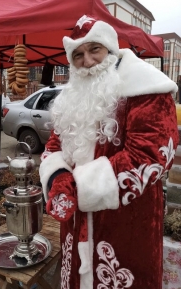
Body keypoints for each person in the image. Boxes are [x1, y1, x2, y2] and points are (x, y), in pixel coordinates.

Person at [39, 15, 179, 289]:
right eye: (77, 55)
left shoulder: (147, 90)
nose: (87, 61)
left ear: (111, 50)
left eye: (94, 49)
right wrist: (57, 179)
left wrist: (77, 188)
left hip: (125, 226)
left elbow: (149, 156)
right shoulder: (73, 97)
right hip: (75, 224)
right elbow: (53, 145)